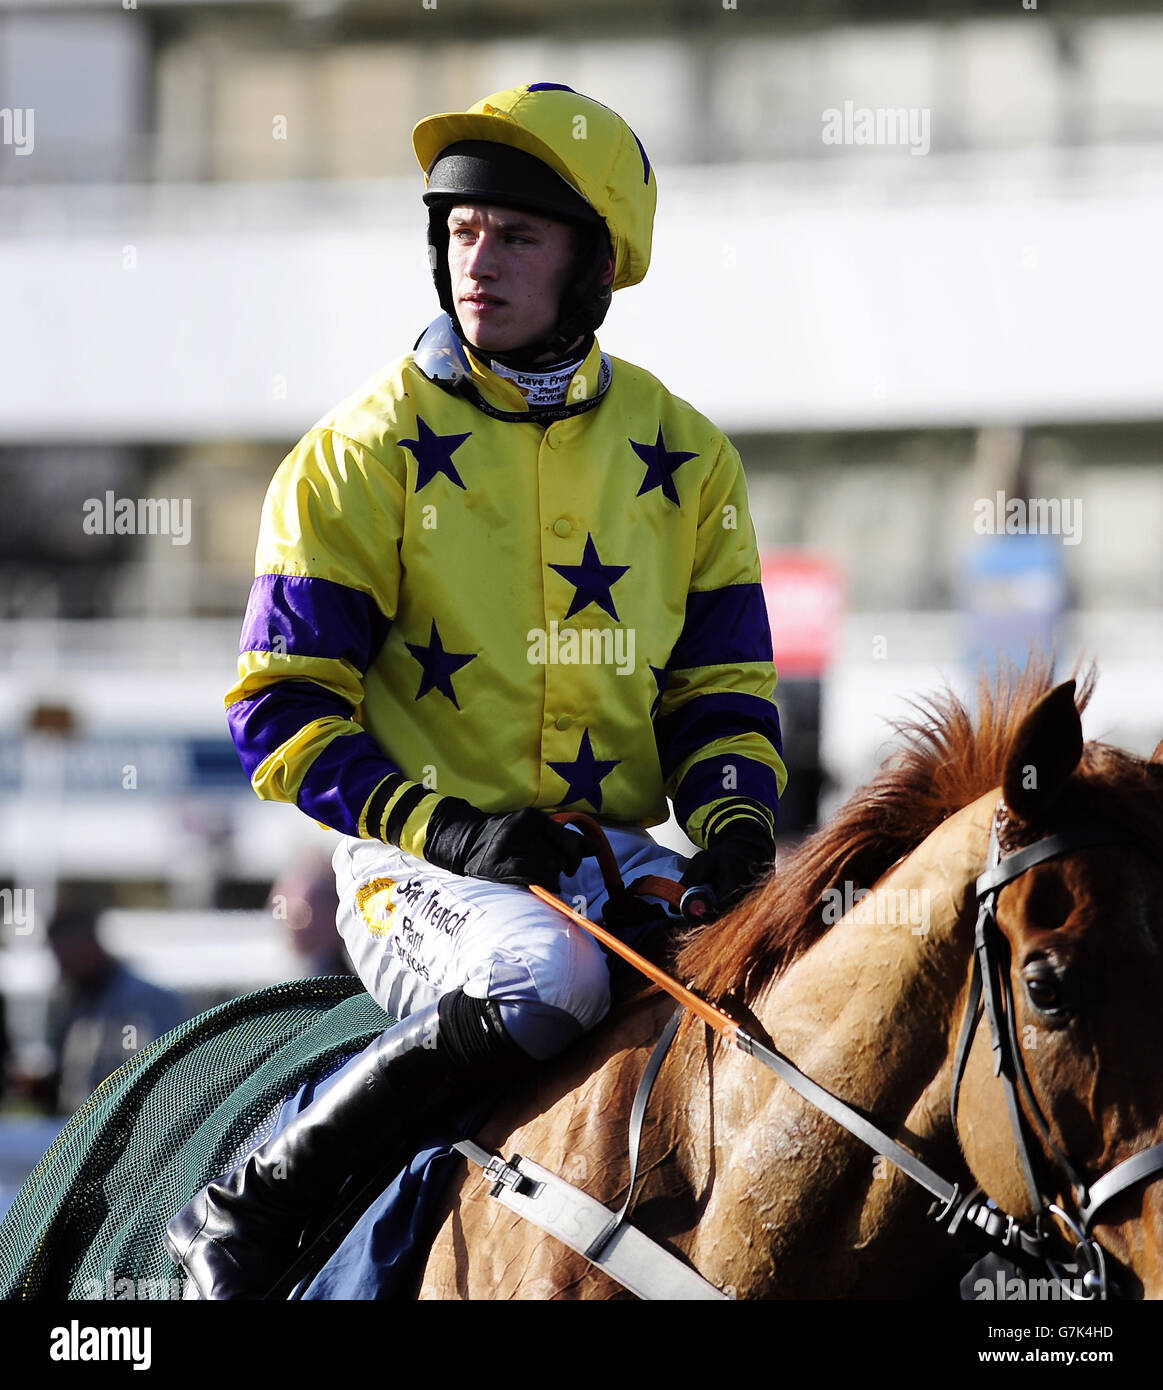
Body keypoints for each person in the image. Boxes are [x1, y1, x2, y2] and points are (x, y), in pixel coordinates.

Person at [166, 82, 786, 1298]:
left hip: (603, 854)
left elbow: (719, 693)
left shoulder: (688, 454)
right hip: (416, 867)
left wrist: (737, 833)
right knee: (543, 977)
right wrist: (447, 826)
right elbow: (279, 710)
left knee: (785, 962)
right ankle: (250, 1201)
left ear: (593, 268)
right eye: (459, 228)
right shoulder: (357, 452)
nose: (476, 259)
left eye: (516, 233)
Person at [43, 906, 186, 1116]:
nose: (61, 968)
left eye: (65, 956)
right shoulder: (76, 1005)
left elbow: (166, 1075)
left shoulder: (147, 1001)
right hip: (83, 1133)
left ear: (89, 946)